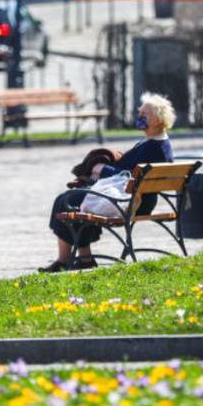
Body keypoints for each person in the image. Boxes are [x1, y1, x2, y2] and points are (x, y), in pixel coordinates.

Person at [40, 93, 176, 274]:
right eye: (140, 113)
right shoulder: (158, 143)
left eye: (145, 115)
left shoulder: (154, 148)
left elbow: (130, 176)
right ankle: (83, 258)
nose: (140, 118)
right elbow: (132, 174)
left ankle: (68, 260)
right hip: (135, 197)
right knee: (77, 197)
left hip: (131, 201)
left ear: (159, 119)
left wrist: (102, 169)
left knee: (66, 200)